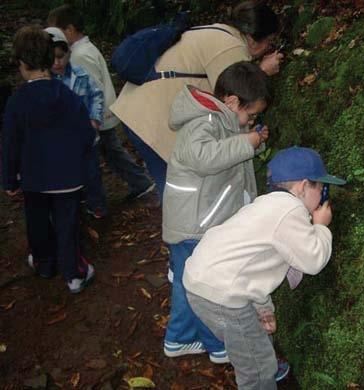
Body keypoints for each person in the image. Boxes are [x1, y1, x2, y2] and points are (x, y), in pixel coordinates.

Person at [183, 146, 346, 388]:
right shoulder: (290, 211)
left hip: (207, 282)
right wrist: (321, 226)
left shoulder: (267, 204)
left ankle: (261, 358)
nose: (323, 192)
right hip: (222, 297)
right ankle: (261, 372)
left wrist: (263, 307)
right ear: (303, 186)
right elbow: (313, 260)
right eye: (320, 186)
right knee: (256, 370)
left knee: (253, 346)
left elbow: (251, 262)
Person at [110, 0, 284, 199]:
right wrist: (263, 71)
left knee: (171, 186)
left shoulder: (217, 32)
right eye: (269, 41)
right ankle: (181, 228)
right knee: (179, 192)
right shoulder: (231, 47)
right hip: (152, 119)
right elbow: (234, 98)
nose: (269, 47)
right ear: (253, 39)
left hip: (138, 110)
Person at [162, 61, 270, 365]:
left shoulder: (223, 121)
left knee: (189, 282)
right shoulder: (203, 122)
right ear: (233, 102)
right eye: (251, 115)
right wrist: (246, 142)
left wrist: (253, 143)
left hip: (201, 221)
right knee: (202, 287)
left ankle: (179, 337)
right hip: (193, 225)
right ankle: (215, 343)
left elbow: (231, 162)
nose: (251, 121)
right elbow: (203, 157)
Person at [2, 26, 96, 293]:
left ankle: (44, 263)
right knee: (68, 227)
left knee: (37, 222)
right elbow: (86, 135)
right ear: (48, 58)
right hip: (68, 178)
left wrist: (10, 178)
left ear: (22, 63)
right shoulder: (67, 96)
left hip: (34, 179)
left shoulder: (17, 101)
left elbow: (10, 143)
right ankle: (74, 274)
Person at [47, 5, 156, 206]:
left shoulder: (78, 55)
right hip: (99, 114)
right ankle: (138, 182)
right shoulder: (82, 50)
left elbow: (91, 88)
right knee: (111, 152)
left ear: (69, 29)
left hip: (95, 117)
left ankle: (138, 183)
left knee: (108, 153)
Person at [44, 26, 107, 218]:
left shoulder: (80, 74)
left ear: (69, 53)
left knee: (92, 173)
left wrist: (95, 119)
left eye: (61, 57)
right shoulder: (45, 82)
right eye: (53, 58)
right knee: (67, 176)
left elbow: (96, 95)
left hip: (86, 136)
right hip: (61, 141)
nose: (58, 62)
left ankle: (96, 204)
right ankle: (73, 206)